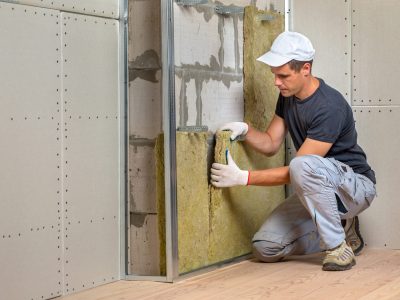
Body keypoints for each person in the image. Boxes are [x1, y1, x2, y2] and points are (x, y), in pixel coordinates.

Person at [210, 31, 376, 271]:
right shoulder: (287, 97)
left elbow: (297, 169)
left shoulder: (329, 107)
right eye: (275, 75)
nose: (276, 82)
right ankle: (340, 230)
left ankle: (338, 248)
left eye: (283, 75)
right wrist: (246, 130)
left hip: (353, 187)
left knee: (301, 164)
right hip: (314, 187)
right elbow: (270, 144)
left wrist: (243, 178)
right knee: (264, 247)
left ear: (305, 69)